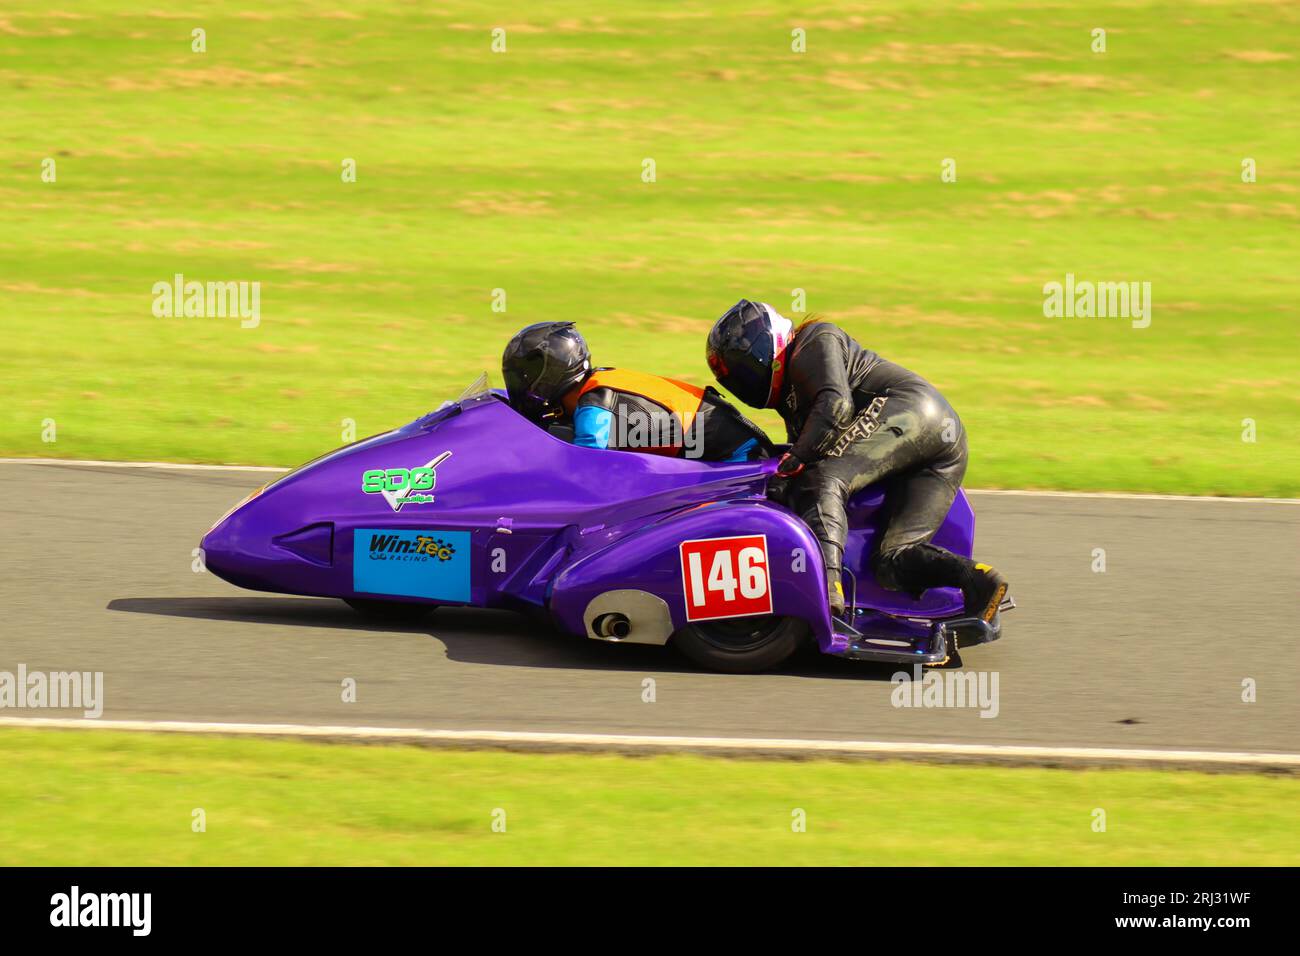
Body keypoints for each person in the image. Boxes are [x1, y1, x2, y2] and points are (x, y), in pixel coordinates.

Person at [705, 299, 1009, 620]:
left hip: (911, 411)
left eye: (743, 367)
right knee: (892, 562)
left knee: (822, 478)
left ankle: (824, 590)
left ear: (768, 345)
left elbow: (835, 406)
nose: (743, 381)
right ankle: (978, 579)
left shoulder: (814, 341)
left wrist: (797, 458)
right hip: (943, 447)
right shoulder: (791, 404)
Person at [502, 321, 773, 462]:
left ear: (549, 375)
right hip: (731, 449)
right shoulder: (600, 382)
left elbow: (584, 468)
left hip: (738, 459)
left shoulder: (595, 404)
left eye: (525, 378)